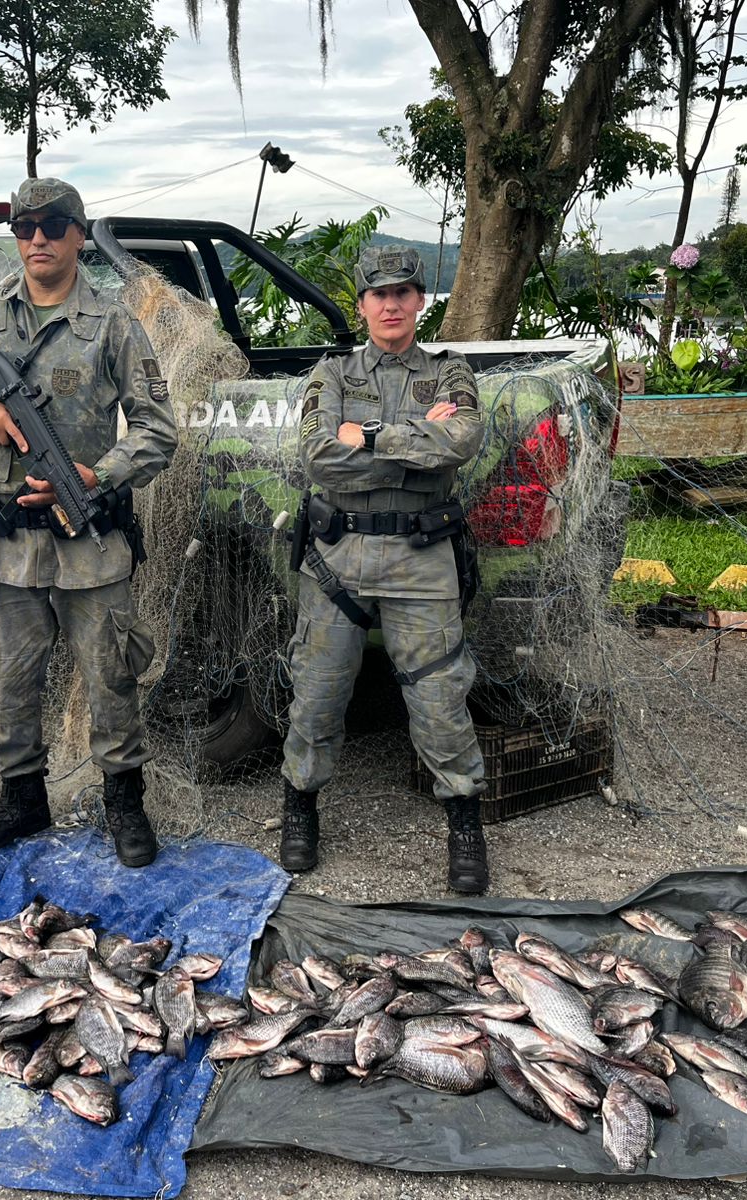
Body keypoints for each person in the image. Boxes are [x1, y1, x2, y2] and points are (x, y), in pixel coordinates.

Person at [0, 177, 178, 867]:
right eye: (23, 225)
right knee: (7, 677)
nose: (36, 237)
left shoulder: (113, 323)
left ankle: (123, 801)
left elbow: (159, 431)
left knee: (110, 675)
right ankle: (21, 799)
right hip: (6, 540)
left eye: (51, 224)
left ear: (78, 234)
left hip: (86, 536)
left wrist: (100, 474)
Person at [279, 244, 490, 892]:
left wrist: (367, 436)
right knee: (316, 694)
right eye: (379, 293)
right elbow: (318, 457)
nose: (391, 303)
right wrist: (411, 440)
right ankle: (300, 809)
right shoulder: (332, 373)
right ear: (362, 303)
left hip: (422, 561)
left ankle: (464, 822)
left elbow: (463, 440)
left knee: (439, 700)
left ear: (420, 300)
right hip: (338, 558)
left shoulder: (450, 374)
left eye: (403, 291)